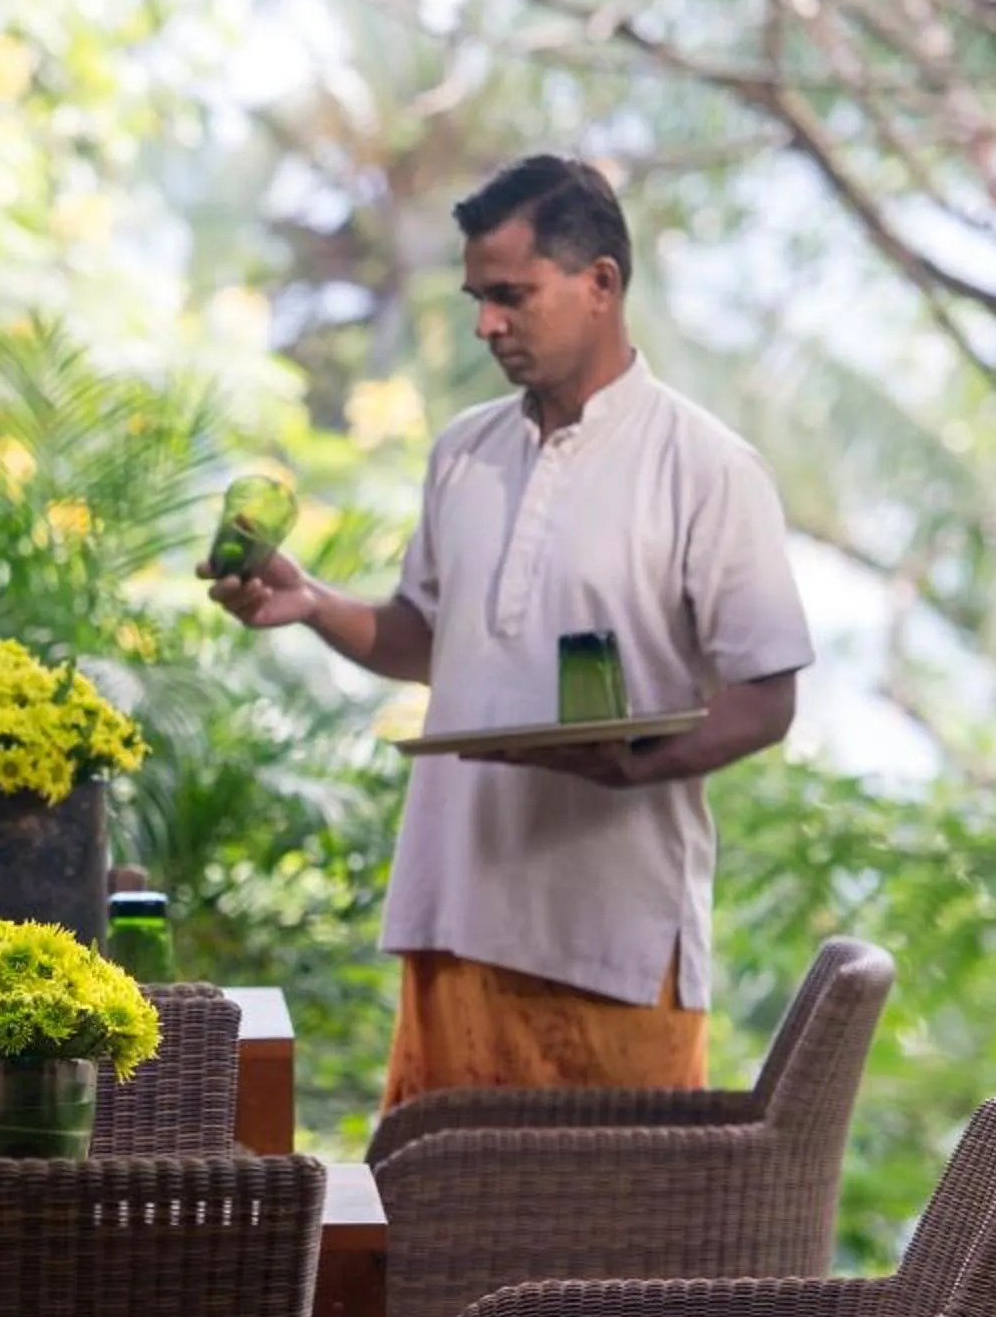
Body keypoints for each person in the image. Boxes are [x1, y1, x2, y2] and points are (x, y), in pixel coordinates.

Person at [205, 154, 813, 1100]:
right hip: (451, 918)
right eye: (477, 299)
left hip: (612, 943)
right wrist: (314, 603)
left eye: (511, 296)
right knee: (435, 1197)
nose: (486, 324)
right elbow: (425, 639)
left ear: (600, 283)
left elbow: (766, 698)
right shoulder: (464, 453)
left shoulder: (706, 468)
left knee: (610, 1201)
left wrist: (634, 765)